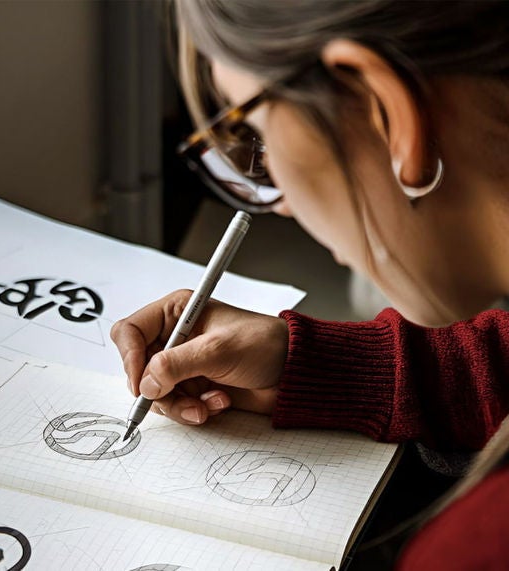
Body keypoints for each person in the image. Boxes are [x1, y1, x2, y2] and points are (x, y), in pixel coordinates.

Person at [113, 1, 509, 568]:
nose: (285, 206)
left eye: (257, 137)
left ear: (385, 110)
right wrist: (315, 365)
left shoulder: (478, 547)